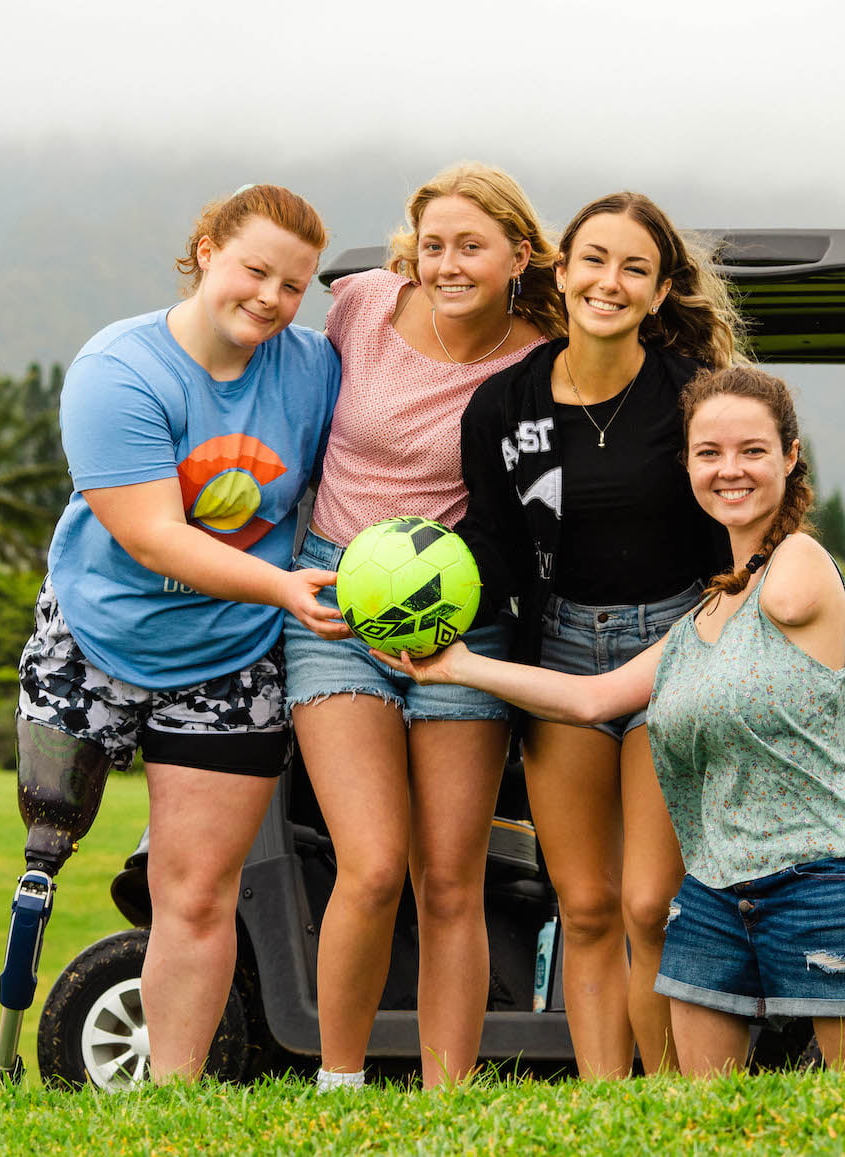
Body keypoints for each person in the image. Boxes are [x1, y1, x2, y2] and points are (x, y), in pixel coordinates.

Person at [385, 366, 845, 1077]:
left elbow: (782, 596)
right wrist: (452, 668)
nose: (730, 469)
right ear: (687, 466)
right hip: (718, 890)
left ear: (792, 456)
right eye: (709, 453)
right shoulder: (702, 617)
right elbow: (593, 699)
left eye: (753, 451)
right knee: (701, 1120)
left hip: (831, 877)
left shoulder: (802, 564)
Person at [16, 183, 347, 1081]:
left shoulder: (313, 368)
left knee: (195, 892)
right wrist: (284, 585)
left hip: (230, 656)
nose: (273, 299)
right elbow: (154, 533)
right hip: (95, 631)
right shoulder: (117, 369)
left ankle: (173, 1097)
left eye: (295, 285)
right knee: (46, 846)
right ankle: (7, 1048)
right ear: (206, 250)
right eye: (255, 270)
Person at [283, 162, 566, 1090]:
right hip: (335, 611)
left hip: (462, 627)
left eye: (471, 246)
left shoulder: (542, 359)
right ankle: (339, 1085)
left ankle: (447, 1099)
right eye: (434, 243)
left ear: (519, 254)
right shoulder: (361, 304)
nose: (448, 263)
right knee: (370, 864)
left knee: (451, 878)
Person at [455, 192, 740, 1077]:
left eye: (633, 268)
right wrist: (423, 605)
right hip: (561, 652)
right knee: (583, 905)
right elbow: (494, 548)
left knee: (651, 903)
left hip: (678, 645)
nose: (608, 281)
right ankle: (607, 1104)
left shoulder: (696, 396)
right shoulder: (505, 406)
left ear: (659, 295)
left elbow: (743, 528)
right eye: (593, 260)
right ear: (562, 269)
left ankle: (662, 1103)